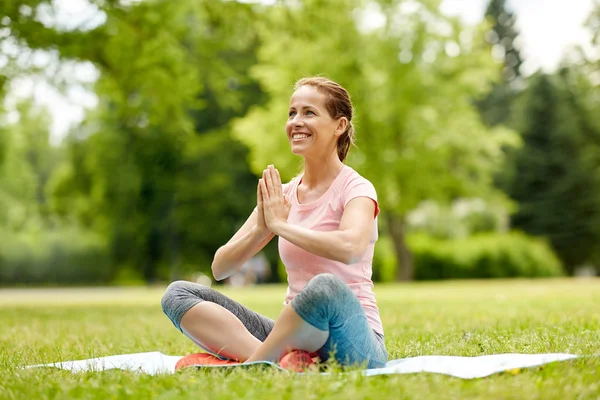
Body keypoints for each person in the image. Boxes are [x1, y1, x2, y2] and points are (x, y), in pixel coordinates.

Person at [161, 77, 387, 369]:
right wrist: (261, 229)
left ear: (339, 126)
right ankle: (281, 363)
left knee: (325, 287)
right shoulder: (281, 197)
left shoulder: (357, 189)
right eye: (292, 113)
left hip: (352, 339)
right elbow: (220, 268)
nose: (296, 121)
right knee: (178, 294)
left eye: (309, 113)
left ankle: (254, 364)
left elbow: (351, 247)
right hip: (291, 334)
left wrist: (282, 227)